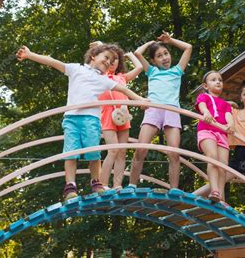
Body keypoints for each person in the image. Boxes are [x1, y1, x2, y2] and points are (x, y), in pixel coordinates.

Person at [16, 44, 148, 201]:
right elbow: (52, 61)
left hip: (91, 120)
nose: (108, 62)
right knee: (71, 153)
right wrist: (30, 54)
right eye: (106, 57)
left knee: (94, 153)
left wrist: (140, 100)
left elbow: (125, 90)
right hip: (71, 119)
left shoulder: (104, 80)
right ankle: (70, 186)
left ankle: (96, 182)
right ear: (93, 56)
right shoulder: (76, 69)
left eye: (111, 60)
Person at [194, 79, 245, 229]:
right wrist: (232, 104)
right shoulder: (234, 112)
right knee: (220, 179)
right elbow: (222, 105)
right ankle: (192, 196)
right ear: (241, 97)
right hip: (241, 151)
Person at [128, 31, 192, 189]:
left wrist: (170, 40)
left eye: (166, 53)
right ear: (153, 61)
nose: (165, 57)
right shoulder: (152, 71)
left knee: (174, 152)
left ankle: (174, 189)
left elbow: (188, 47)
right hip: (154, 110)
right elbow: (137, 53)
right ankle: (131, 184)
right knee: (141, 148)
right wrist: (150, 43)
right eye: (159, 56)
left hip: (171, 111)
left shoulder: (177, 71)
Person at [98, 44, 143, 190]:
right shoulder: (99, 75)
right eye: (109, 58)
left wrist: (130, 56)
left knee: (122, 152)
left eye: (116, 58)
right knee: (112, 150)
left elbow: (139, 68)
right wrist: (100, 47)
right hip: (107, 115)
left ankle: (117, 185)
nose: (113, 61)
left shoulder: (122, 77)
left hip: (123, 116)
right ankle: (103, 184)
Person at [195, 70, 234, 203]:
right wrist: (206, 112)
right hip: (207, 130)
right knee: (213, 157)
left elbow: (229, 116)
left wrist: (230, 124)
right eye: (213, 79)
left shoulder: (226, 104)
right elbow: (202, 106)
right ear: (205, 86)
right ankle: (214, 190)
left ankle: (220, 197)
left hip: (222, 133)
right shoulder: (204, 97)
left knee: (223, 165)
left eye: (220, 80)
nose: (218, 81)